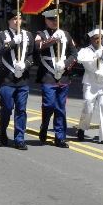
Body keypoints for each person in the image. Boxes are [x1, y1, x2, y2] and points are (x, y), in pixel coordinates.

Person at [35, 8, 78, 148]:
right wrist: (53, 40)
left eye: (56, 19)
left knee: (60, 108)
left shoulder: (66, 34)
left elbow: (74, 53)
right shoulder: (41, 34)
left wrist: (66, 64)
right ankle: (44, 126)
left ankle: (60, 137)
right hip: (48, 75)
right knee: (49, 105)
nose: (54, 22)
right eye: (51, 20)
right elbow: (38, 48)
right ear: (46, 20)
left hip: (63, 76)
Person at [0, 11, 34, 150]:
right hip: (6, 79)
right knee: (7, 108)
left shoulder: (28, 36)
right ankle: (3, 131)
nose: (17, 21)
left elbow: (32, 55)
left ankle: (19, 138)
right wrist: (11, 43)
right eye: (14, 19)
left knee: (21, 110)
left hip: (22, 79)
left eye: (20, 18)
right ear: (9, 21)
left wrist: (26, 64)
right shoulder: (1, 35)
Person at [76, 28, 103, 145]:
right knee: (88, 107)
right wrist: (94, 57)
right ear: (91, 39)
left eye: (100, 38)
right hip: (90, 83)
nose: (98, 40)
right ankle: (82, 128)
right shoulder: (85, 51)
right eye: (95, 38)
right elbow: (79, 59)